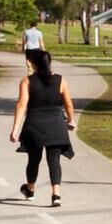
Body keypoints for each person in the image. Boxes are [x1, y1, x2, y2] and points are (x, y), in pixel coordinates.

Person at [10, 47, 77, 206]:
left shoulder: (27, 81)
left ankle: (30, 189)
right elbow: (68, 104)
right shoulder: (61, 80)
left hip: (34, 126)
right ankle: (56, 195)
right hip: (56, 125)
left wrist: (15, 129)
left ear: (33, 64)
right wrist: (71, 120)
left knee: (34, 159)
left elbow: (21, 105)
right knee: (54, 160)